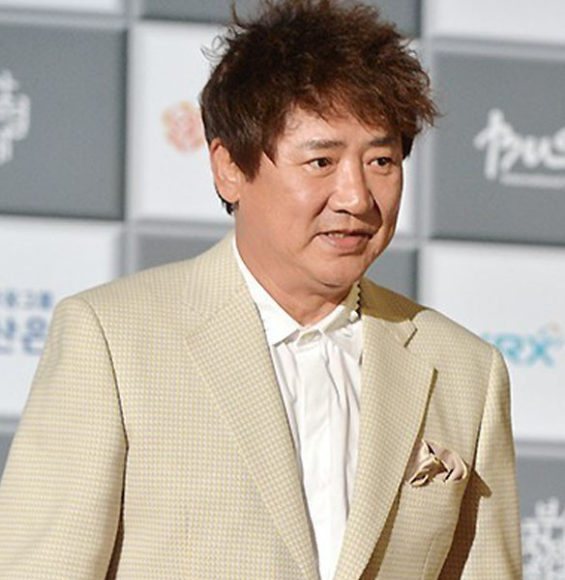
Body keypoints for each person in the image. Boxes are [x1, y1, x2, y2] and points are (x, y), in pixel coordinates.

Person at [0, 0, 522, 578]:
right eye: (321, 161)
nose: (356, 197)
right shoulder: (113, 342)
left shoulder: (465, 370)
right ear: (229, 167)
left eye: (381, 160)